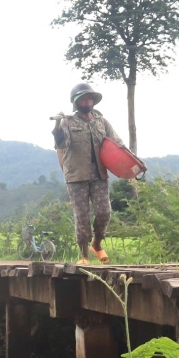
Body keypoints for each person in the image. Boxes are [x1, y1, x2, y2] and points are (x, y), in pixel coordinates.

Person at [53, 82, 125, 265]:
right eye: (83, 98)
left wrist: (132, 160)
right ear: (76, 102)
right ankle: (84, 255)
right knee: (82, 215)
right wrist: (58, 126)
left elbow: (117, 142)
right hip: (77, 176)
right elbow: (60, 144)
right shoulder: (68, 121)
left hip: (99, 173)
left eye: (90, 98)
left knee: (104, 212)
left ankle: (97, 245)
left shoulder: (100, 121)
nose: (87, 101)